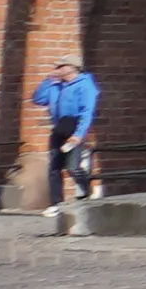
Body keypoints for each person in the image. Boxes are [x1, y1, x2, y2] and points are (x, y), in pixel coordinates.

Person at [30, 60, 100, 226]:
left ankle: (87, 188)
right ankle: (56, 203)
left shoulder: (85, 85)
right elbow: (38, 99)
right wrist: (47, 81)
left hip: (74, 126)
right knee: (54, 168)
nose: (57, 69)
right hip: (59, 127)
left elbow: (87, 111)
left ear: (71, 68)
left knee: (72, 167)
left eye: (60, 66)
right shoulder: (56, 86)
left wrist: (78, 134)